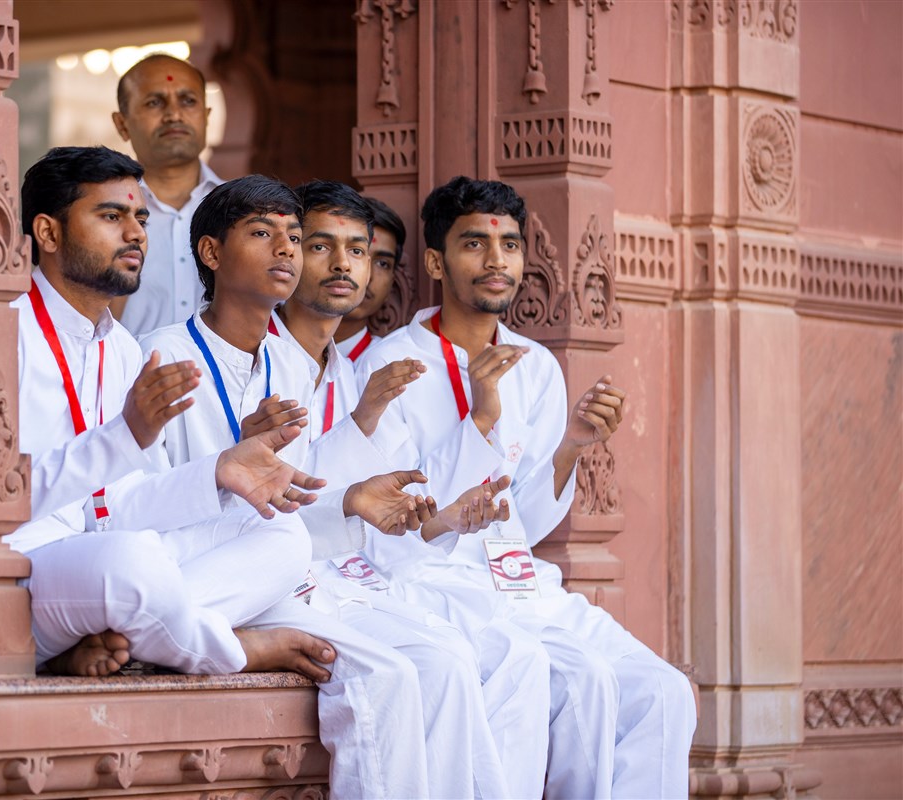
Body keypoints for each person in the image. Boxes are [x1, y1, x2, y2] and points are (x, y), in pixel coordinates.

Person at [141, 175, 515, 799]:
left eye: (293, 237)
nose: (286, 250)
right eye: (267, 235)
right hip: (213, 572)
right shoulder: (161, 354)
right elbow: (146, 500)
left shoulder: (286, 365)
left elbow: (305, 493)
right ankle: (193, 634)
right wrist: (233, 463)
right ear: (210, 253)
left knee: (440, 662)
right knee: (391, 667)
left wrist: (365, 497)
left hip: (291, 570)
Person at [357, 175, 698, 798]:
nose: (497, 260)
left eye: (511, 245)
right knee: (587, 679)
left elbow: (527, 522)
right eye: (474, 245)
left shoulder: (535, 364)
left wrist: (571, 445)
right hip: (435, 582)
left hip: (521, 578)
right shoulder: (389, 362)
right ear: (436, 261)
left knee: (665, 692)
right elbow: (400, 517)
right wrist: (480, 418)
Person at [266, 180, 557, 798]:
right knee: (433, 665)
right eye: (319, 245)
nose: (346, 265)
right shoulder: (256, 359)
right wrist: (363, 465)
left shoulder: (351, 371)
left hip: (375, 571)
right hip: (292, 576)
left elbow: (395, 510)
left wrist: (437, 515)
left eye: (360, 250)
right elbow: (265, 497)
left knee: (516, 659)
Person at [7, 144, 337, 682]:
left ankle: (118, 640)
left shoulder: (120, 348)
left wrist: (218, 471)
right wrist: (124, 436)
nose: (137, 233)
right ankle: (233, 650)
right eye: (111, 216)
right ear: (48, 234)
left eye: (139, 218)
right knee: (131, 564)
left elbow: (117, 508)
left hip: (105, 555)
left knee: (281, 535)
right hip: (25, 567)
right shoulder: (4, 332)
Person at [109, 53, 221, 335]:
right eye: (155, 102)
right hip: (129, 378)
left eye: (188, 101)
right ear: (122, 124)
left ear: (206, 117)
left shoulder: (242, 211)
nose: (174, 114)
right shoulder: (103, 215)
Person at [332, 195, 404, 361]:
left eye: (382, 263)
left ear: (392, 283)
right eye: (356, 251)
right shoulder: (266, 343)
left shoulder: (390, 365)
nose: (367, 275)